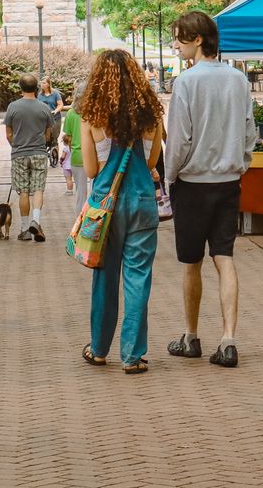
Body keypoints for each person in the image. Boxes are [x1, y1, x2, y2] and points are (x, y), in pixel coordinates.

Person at [164, 11, 256, 368]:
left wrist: (171, 176)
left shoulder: (186, 82)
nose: (176, 44)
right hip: (229, 180)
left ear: (198, 39)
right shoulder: (239, 80)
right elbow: (249, 131)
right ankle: (229, 338)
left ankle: (190, 336)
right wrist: (240, 162)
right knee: (225, 258)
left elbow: (180, 139)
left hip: (192, 182)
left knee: (191, 262)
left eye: (180, 38)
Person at [80, 50, 164, 374]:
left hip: (106, 206)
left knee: (104, 277)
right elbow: (154, 161)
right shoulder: (152, 115)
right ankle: (133, 355)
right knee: (138, 278)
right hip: (142, 202)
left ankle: (99, 349)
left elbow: (89, 170)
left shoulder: (92, 117)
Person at [5, 74, 55, 241]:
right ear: (36, 88)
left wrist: (16, 144)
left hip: (19, 154)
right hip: (39, 153)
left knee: (24, 192)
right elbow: (48, 135)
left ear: (20, 87)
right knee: (38, 189)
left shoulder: (12, 107)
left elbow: (8, 134)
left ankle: (25, 229)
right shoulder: (44, 108)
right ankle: (36, 220)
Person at [63, 83, 88, 209]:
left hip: (77, 156)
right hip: (97, 156)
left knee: (81, 195)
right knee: (98, 193)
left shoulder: (71, 113)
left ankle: (80, 224)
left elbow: (67, 137)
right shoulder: (95, 112)